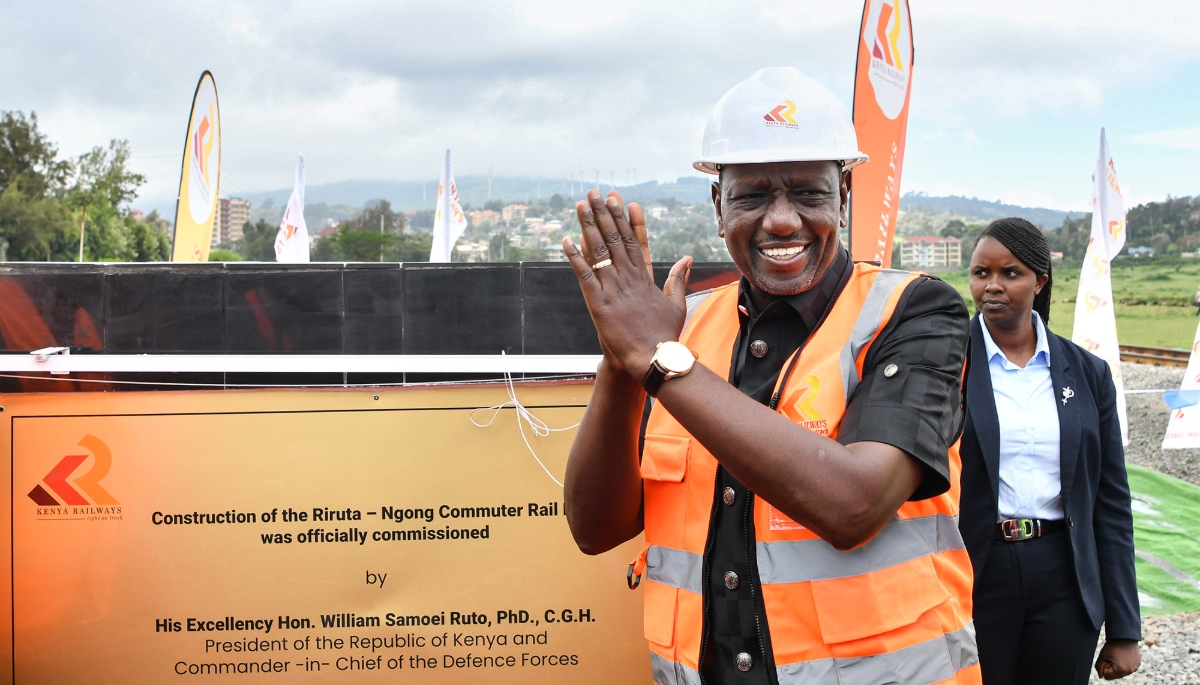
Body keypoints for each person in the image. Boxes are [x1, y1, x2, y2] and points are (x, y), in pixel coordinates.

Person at [561, 67, 978, 684]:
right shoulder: (680, 331)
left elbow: (853, 505)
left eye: (808, 193)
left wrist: (656, 359)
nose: (781, 221)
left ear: (843, 193)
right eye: (752, 195)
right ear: (717, 203)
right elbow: (596, 529)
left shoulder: (913, 312)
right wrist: (622, 363)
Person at [959, 218, 1141, 684]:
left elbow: (1111, 502)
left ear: (1040, 280)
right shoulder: (946, 365)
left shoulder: (1087, 373)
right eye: (981, 273)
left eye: (1010, 273)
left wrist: (1124, 629)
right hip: (974, 572)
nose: (992, 286)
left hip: (1063, 576)